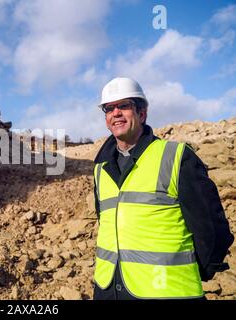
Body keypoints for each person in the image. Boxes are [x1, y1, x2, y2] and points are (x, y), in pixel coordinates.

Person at [92, 77, 234, 300]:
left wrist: (201, 269)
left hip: (167, 290)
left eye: (124, 105)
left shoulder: (176, 157)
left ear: (142, 113)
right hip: (109, 289)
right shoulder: (101, 168)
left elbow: (211, 225)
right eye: (109, 108)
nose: (116, 113)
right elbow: (107, 221)